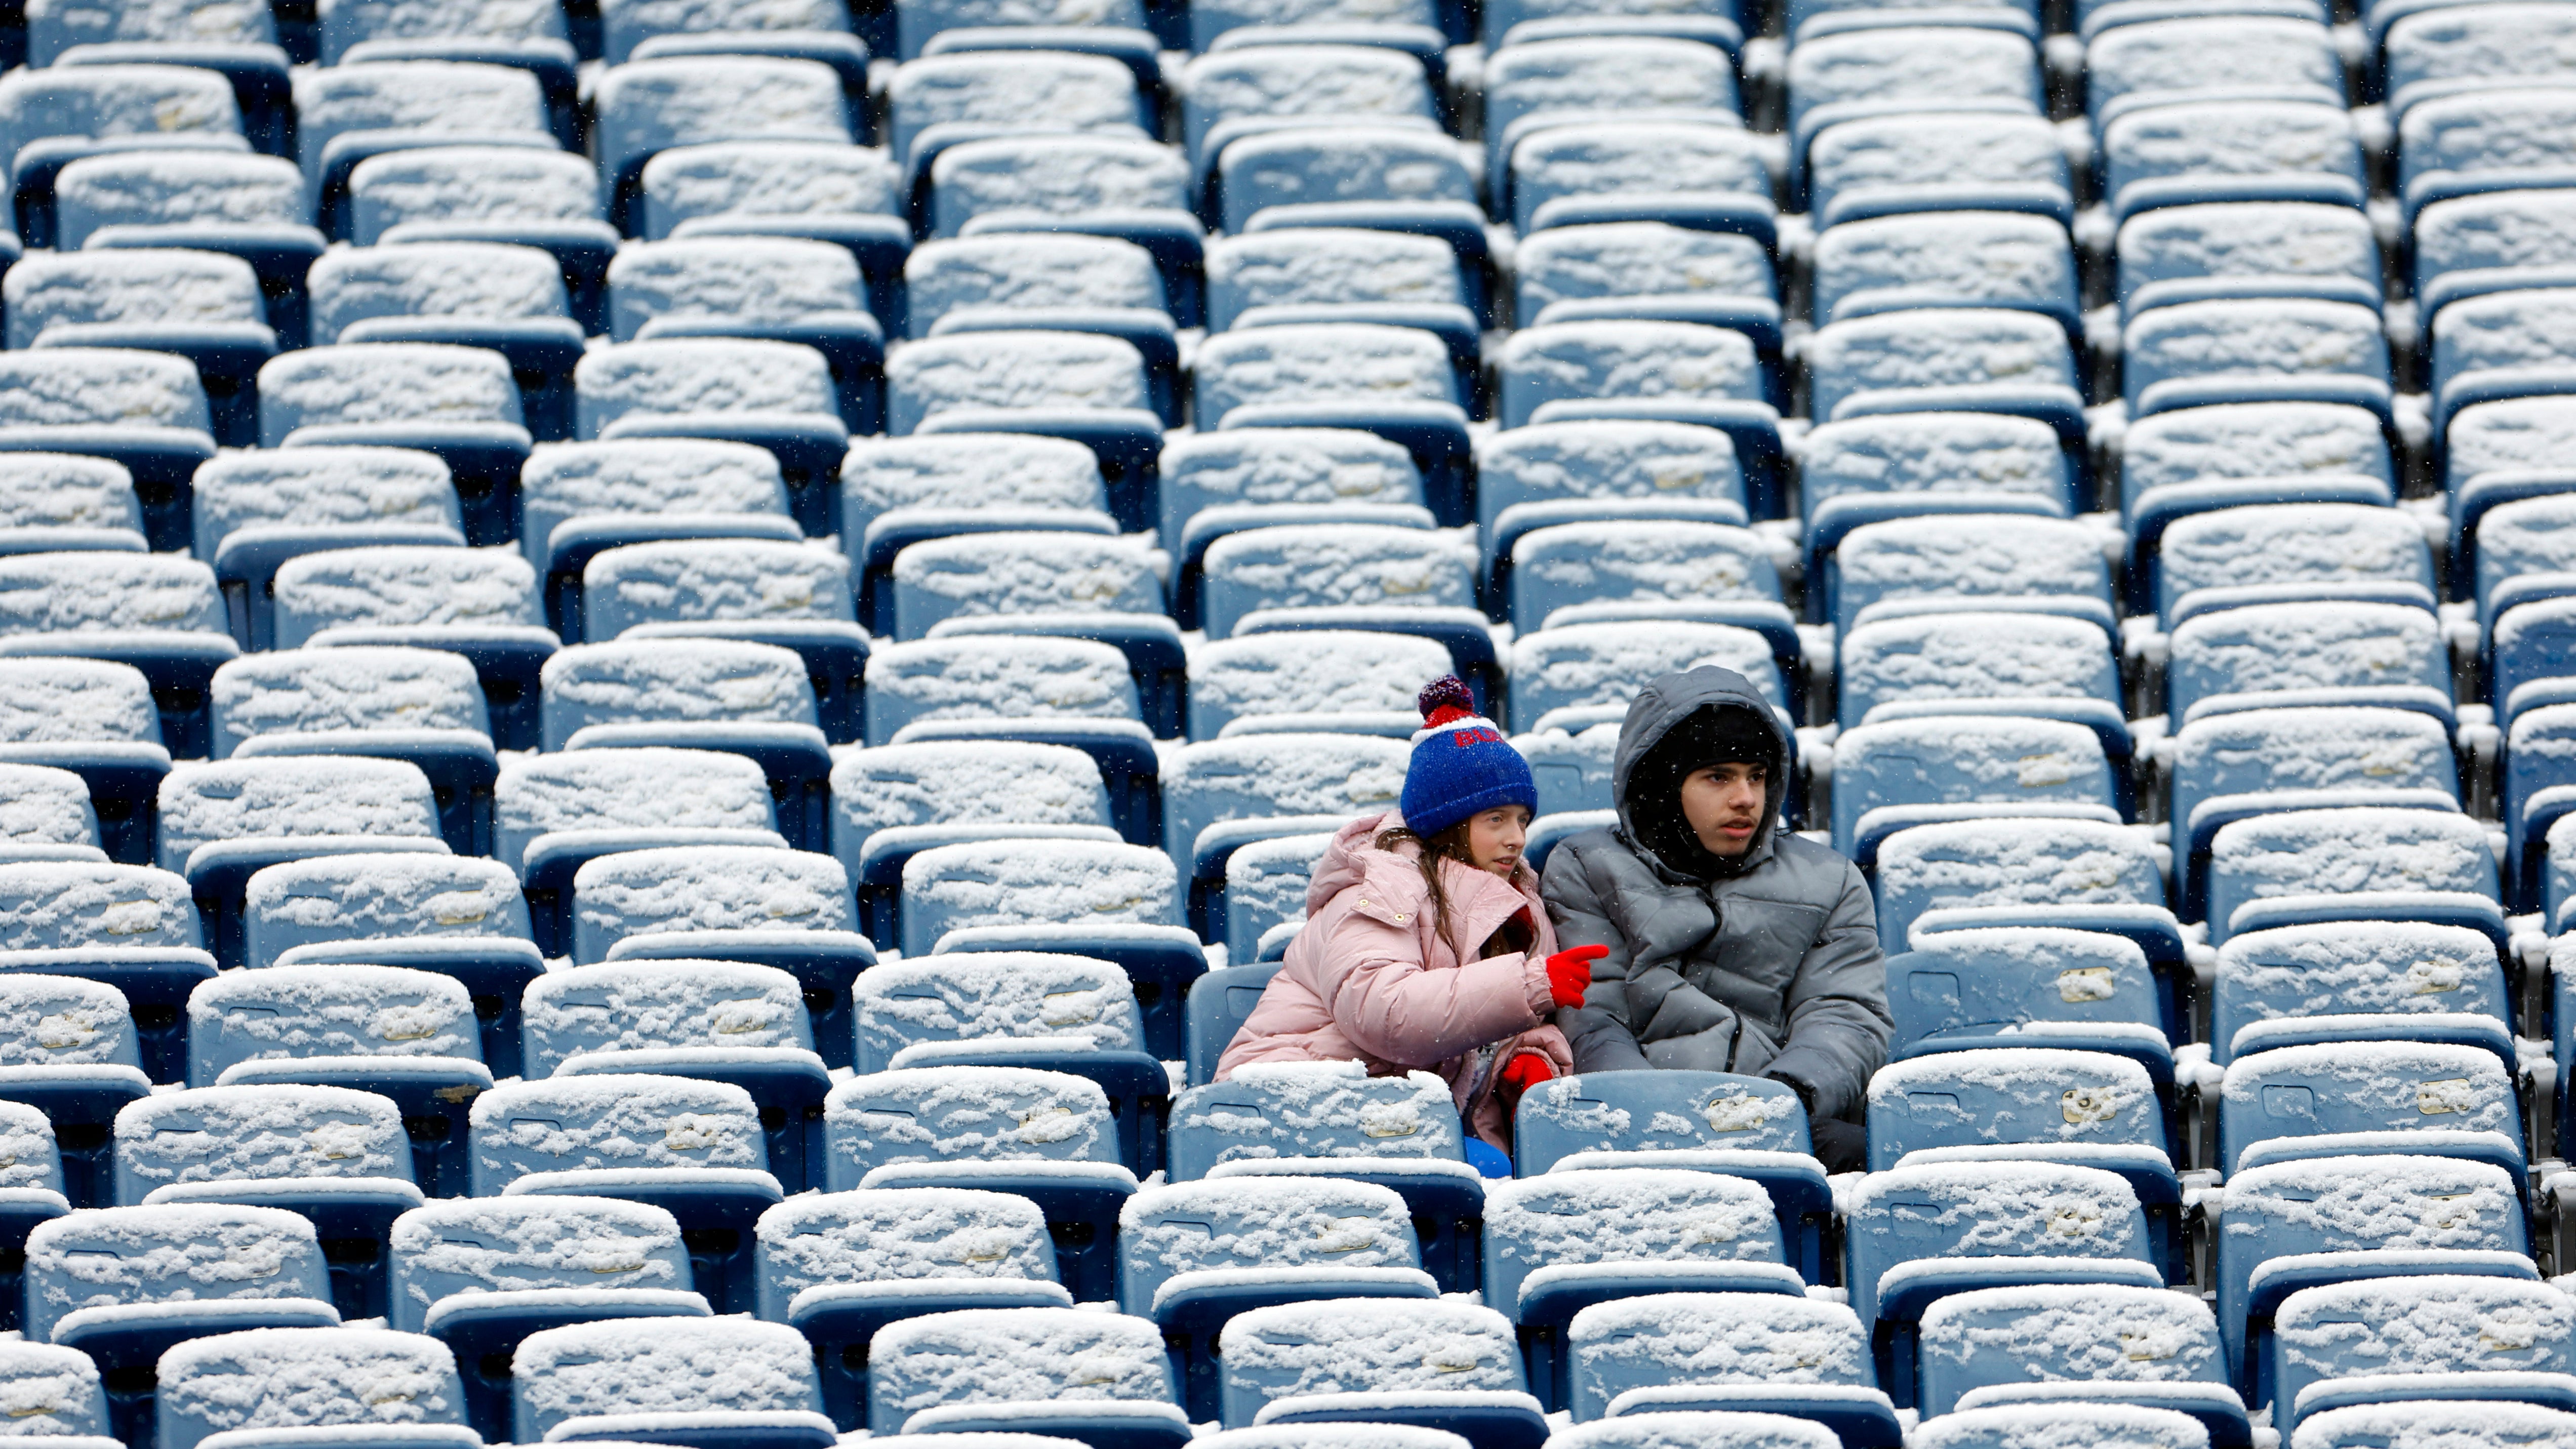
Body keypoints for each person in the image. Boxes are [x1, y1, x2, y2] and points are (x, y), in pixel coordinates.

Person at [1217, 676, 1608, 1152]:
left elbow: (1481, 1025)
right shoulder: (1380, 886)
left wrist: (1525, 1056)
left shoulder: (1515, 898)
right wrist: (1525, 986)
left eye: (1522, 819)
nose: (1517, 838)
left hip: (1400, 1116)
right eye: (1496, 820)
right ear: (1449, 822)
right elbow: (1385, 1011)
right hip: (1295, 1103)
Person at [1541, 665, 1890, 1172]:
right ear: (1664, 784)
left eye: (1757, 777)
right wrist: (1650, 1115)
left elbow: (1844, 1018)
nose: (1745, 798)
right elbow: (1594, 1019)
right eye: (1718, 777)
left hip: (1782, 1112)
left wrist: (1777, 1102)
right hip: (1633, 1120)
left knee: (1869, 1161)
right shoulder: (1587, 869)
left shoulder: (1829, 881)